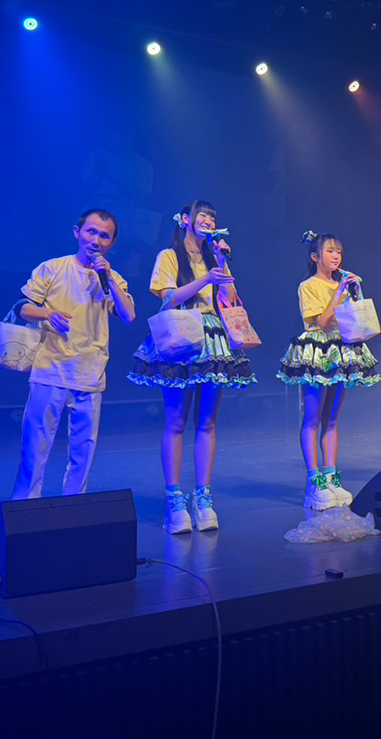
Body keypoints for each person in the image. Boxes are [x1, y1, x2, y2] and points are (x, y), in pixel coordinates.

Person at [129, 201, 255, 533]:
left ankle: (203, 497)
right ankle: (174, 499)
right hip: (182, 335)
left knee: (208, 422)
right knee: (176, 421)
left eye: (213, 217)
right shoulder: (169, 256)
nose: (209, 220)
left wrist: (222, 262)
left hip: (212, 337)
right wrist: (204, 280)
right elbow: (169, 298)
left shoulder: (214, 257)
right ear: (186, 220)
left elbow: (229, 300)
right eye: (203, 215)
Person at [11, 209, 135, 500]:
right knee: (35, 446)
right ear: (77, 233)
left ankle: (74, 505)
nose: (96, 240)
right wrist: (47, 313)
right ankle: (25, 507)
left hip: (90, 371)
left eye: (104, 236)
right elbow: (21, 308)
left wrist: (108, 277)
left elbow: (129, 316)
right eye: (91, 231)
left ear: (112, 243)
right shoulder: (53, 268)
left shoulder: (111, 279)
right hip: (50, 367)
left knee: (83, 449)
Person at [278, 231, 380, 510]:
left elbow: (353, 318)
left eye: (339, 251)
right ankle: (314, 482)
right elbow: (322, 322)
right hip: (317, 352)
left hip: (341, 349)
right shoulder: (308, 286)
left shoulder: (343, 285)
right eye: (330, 251)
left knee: (332, 419)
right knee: (313, 418)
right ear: (315, 257)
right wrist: (339, 293)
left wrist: (353, 292)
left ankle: (331, 477)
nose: (336, 256)